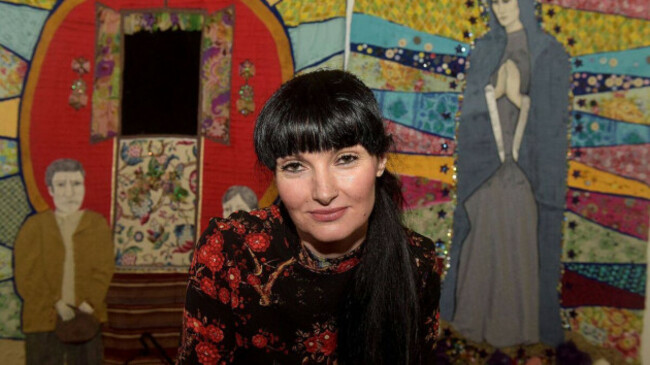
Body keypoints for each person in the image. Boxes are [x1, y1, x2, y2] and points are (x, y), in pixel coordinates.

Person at [176, 70, 441, 364]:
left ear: (380, 160)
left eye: (346, 159)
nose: (324, 192)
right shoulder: (231, 253)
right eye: (295, 166)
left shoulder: (417, 261)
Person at [440, 0, 570, 347]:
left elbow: (552, 120)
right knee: (481, 241)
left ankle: (516, 330)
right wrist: (493, 94)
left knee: (519, 240)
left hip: (524, 168)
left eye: (509, 0)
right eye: (495, 1)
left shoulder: (547, 52)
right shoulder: (485, 49)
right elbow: (468, 111)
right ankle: (473, 329)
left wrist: (519, 100)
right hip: (486, 165)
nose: (502, 8)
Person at [14, 158, 115, 364]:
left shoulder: (96, 224)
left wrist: (88, 304)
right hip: (43, 322)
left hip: (86, 322)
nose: (69, 193)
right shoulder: (34, 227)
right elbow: (27, 276)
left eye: (76, 184)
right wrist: (56, 303)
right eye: (61, 185)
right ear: (50, 190)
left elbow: (104, 269)